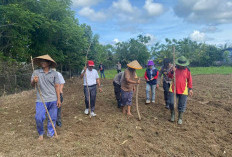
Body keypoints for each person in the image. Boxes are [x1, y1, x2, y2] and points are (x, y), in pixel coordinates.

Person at [31, 55, 61, 141]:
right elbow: (32, 85)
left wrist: (58, 99)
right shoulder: (36, 72)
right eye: (41, 61)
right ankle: (41, 133)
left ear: (49, 63)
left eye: (44, 61)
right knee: (39, 117)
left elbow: (57, 86)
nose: (42, 62)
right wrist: (34, 81)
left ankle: (50, 133)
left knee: (52, 117)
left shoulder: (54, 73)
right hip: (41, 99)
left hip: (53, 98)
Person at [168, 56, 193, 125]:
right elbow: (169, 76)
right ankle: (172, 114)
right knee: (171, 103)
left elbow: (189, 80)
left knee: (181, 105)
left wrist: (190, 89)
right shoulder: (174, 68)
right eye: (180, 65)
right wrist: (172, 71)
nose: (181, 66)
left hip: (183, 89)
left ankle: (180, 118)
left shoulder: (187, 70)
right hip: (173, 88)